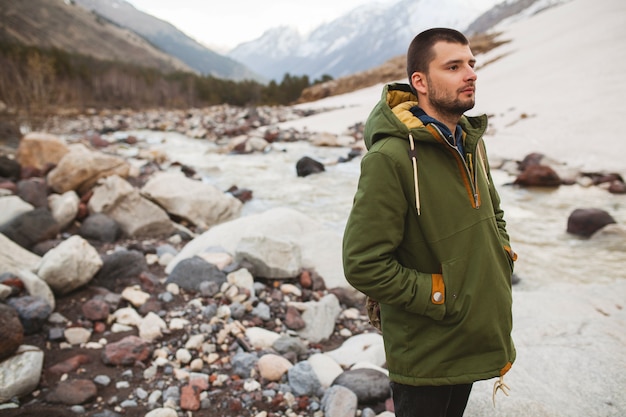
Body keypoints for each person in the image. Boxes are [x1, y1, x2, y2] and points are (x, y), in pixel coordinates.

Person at [342, 28, 517, 417]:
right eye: (453, 66)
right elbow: (363, 263)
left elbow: (494, 215)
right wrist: (442, 294)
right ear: (419, 81)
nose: (470, 74)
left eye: (471, 64)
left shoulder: (471, 141)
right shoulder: (389, 158)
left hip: (471, 333)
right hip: (427, 349)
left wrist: (501, 257)